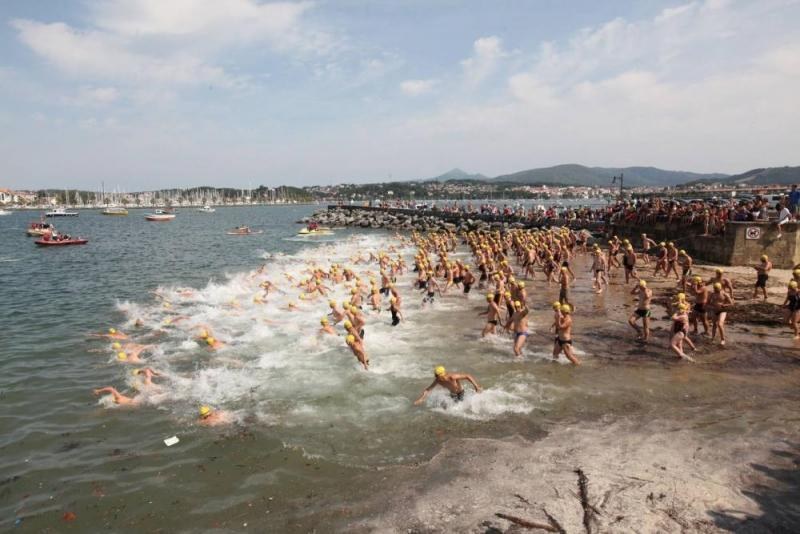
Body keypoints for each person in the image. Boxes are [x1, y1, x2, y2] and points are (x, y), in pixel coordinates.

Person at [413, 365, 482, 405]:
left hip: (461, 393)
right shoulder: (438, 380)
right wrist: (421, 399)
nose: (435, 377)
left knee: (460, 406)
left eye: (436, 375)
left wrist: (476, 386)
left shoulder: (452, 377)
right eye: (435, 375)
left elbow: (467, 376)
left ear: (441, 375)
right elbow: (428, 389)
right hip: (452, 394)